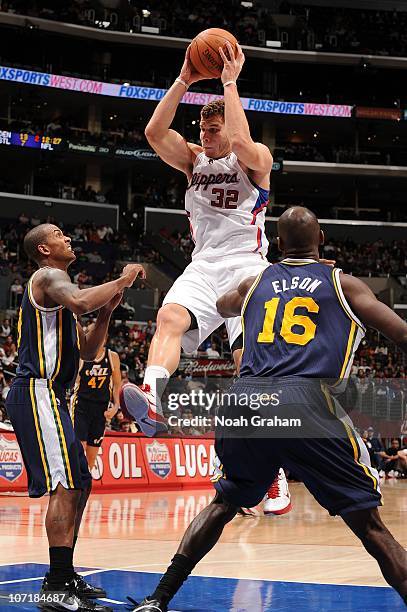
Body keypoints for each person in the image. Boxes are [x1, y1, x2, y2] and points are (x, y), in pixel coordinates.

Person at [128, 207, 407, 611]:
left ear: (276, 245)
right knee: (371, 527)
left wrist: (264, 283)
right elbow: (399, 333)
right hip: (305, 401)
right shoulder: (344, 284)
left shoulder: (253, 281)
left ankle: (159, 598)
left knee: (223, 504)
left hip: (245, 399)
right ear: (323, 239)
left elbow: (223, 305)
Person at [124, 40, 292, 515]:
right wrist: (183, 77)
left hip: (247, 266)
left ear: (229, 125)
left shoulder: (255, 159)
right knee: (168, 316)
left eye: (213, 127)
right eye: (203, 126)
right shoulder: (193, 159)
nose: (207, 133)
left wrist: (230, 82)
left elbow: (241, 143)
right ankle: (154, 399)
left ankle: (272, 467)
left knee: (249, 365)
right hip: (203, 265)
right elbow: (155, 131)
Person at [5, 223, 145, 611]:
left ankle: (64, 576)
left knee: (80, 482)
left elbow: (86, 351)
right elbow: (83, 301)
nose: (68, 238)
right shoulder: (50, 277)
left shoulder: (61, 292)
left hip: (54, 395)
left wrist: (106, 316)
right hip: (38, 390)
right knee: (67, 483)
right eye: (59, 234)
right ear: (44, 250)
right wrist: (121, 279)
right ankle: (56, 587)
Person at [71, 337, 121, 470]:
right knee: (79, 452)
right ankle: (75, 487)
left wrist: (116, 406)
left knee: (91, 458)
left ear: (104, 338)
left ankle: (85, 488)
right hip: (81, 406)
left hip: (101, 409)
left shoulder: (112, 356)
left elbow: (117, 384)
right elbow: (74, 382)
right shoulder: (80, 356)